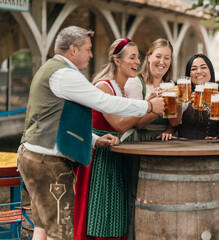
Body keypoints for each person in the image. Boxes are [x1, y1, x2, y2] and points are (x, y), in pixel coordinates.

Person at [17, 26, 164, 240]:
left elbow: (62, 119)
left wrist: (94, 140)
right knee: (61, 234)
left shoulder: (51, 68)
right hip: (48, 164)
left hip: (34, 156)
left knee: (44, 229)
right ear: (74, 50)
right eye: (88, 49)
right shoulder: (64, 74)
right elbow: (103, 101)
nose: (92, 55)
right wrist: (148, 107)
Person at [74, 38, 146, 240]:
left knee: (114, 213)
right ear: (117, 61)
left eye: (138, 57)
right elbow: (120, 125)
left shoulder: (122, 88)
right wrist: (148, 106)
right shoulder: (104, 86)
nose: (137, 62)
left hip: (115, 151)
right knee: (102, 214)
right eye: (132, 57)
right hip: (100, 155)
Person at [124, 38, 176, 239]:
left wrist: (172, 125)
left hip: (163, 145)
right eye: (158, 56)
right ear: (149, 57)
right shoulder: (136, 82)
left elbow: (175, 121)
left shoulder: (170, 85)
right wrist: (154, 104)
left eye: (167, 58)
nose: (162, 62)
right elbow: (138, 122)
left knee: (161, 194)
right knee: (137, 194)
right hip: (140, 142)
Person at [167, 53, 219, 140]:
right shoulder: (183, 97)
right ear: (189, 75)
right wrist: (169, 131)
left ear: (210, 71)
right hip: (187, 150)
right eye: (194, 69)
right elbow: (174, 123)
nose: (199, 71)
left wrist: (218, 139)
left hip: (212, 149)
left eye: (203, 67)